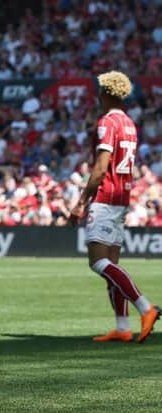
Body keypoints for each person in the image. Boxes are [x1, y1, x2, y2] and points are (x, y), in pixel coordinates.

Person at [69, 71, 160, 344]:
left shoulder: (107, 123)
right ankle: (122, 326)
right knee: (113, 266)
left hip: (106, 196)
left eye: (100, 91)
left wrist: (81, 202)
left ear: (106, 93)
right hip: (122, 196)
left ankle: (146, 308)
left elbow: (100, 168)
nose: (98, 95)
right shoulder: (130, 124)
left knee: (98, 262)